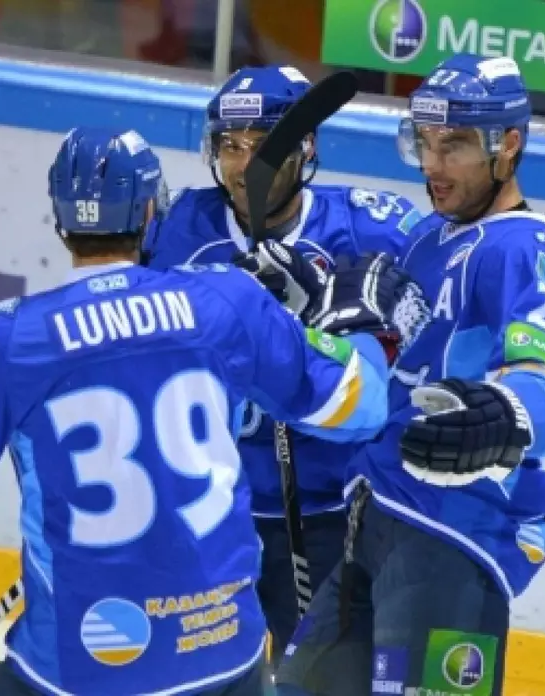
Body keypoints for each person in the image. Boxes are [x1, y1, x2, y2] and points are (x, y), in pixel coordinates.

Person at [0, 127, 428, 696]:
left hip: (78, 672)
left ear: (60, 218)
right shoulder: (228, 301)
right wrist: (360, 328)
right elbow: (361, 405)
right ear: (151, 211)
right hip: (225, 660)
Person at [271, 53, 545, 696]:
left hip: (455, 534)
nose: (433, 165)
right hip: (375, 519)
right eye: (426, 143)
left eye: (456, 145)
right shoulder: (427, 240)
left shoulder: (527, 246)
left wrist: (506, 415)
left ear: (509, 145)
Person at [142, 63, 422, 665]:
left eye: (262, 146)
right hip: (209, 516)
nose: (245, 165)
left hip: (330, 515)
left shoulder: (370, 227)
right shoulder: (174, 232)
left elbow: (454, 289)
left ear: (307, 145)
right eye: (231, 146)